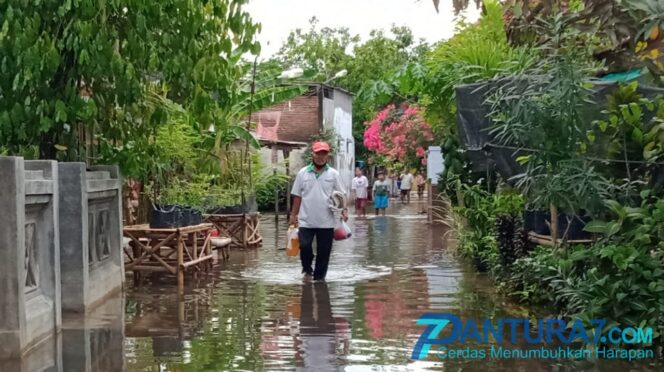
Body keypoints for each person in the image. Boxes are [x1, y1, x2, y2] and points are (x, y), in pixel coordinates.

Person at [290, 141, 348, 282]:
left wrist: (344, 211)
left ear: (327, 155)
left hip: (326, 221)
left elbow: (341, 194)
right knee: (304, 247)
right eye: (318, 153)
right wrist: (293, 215)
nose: (321, 156)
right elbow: (297, 195)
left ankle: (320, 278)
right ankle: (307, 270)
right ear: (313, 154)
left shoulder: (333, 174)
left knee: (324, 252)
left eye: (324, 153)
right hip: (305, 220)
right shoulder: (303, 173)